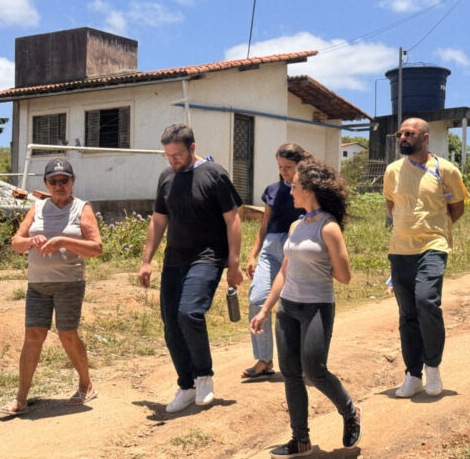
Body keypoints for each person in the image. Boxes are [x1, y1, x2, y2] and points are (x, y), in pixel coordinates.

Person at [250, 158, 361, 457]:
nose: (290, 190)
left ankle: (349, 411)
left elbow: (345, 276)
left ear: (309, 189)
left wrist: (322, 267)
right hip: (287, 308)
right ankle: (300, 440)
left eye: (295, 186)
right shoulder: (296, 225)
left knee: (314, 370)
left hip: (316, 308)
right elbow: (284, 272)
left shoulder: (329, 227)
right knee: (291, 374)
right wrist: (265, 309)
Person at [137, 123, 243, 413]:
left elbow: (233, 219)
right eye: (168, 155)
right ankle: (187, 385)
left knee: (189, 313)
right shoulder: (166, 177)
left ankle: (204, 376)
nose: (173, 160)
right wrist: (146, 261)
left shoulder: (214, 174)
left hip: (208, 257)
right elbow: (158, 220)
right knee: (171, 324)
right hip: (174, 259)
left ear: (192, 148)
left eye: (178, 155)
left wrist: (234, 262)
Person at [1, 158, 102, 415]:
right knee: (33, 337)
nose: (59, 185)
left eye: (64, 180)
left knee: (67, 334)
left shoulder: (82, 208)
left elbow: (96, 248)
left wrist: (63, 241)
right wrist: (29, 241)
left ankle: (86, 383)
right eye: (53, 181)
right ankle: (21, 399)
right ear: (46, 183)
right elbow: (15, 243)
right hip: (38, 284)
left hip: (69, 283)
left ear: (72, 181)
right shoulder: (37, 207)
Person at [383, 117, 468, 398]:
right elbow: (392, 205)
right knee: (407, 314)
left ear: (425, 137)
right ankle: (413, 375)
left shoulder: (446, 170)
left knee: (426, 302)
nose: (403, 138)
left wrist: (436, 228)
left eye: (409, 133)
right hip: (400, 249)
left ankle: (432, 367)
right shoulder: (393, 171)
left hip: (433, 246)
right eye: (401, 133)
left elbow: (457, 207)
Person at [242, 143, 309, 379]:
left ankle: (305, 361)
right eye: (280, 166)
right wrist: (253, 254)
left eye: (288, 167)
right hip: (271, 250)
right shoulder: (272, 190)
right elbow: (264, 225)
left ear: (301, 165)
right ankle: (264, 359)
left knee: (297, 306)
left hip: (299, 250)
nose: (283, 171)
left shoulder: (310, 190)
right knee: (257, 299)